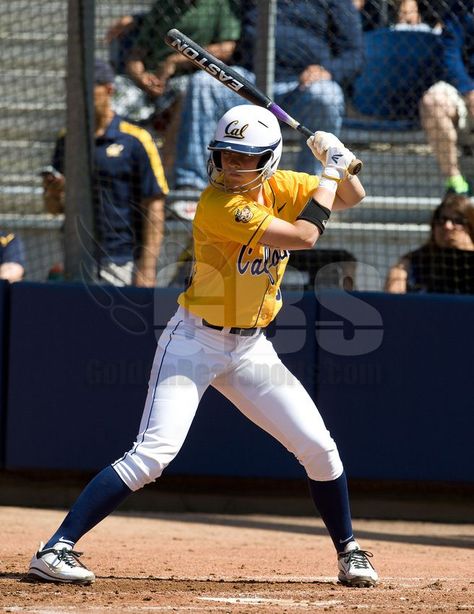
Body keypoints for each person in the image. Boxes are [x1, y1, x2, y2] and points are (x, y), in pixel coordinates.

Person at [27, 105, 378, 588]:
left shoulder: (282, 185)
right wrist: (330, 171)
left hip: (252, 348)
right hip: (195, 339)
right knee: (153, 456)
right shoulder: (218, 204)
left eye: (245, 158)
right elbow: (305, 235)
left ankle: (349, 552)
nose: (233, 166)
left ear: (269, 160)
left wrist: (337, 157)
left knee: (319, 448)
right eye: (226, 156)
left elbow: (351, 198)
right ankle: (56, 548)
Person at [172, 0, 364, 214]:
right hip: (250, 84)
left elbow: (354, 55)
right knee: (203, 84)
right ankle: (192, 189)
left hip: (299, 88)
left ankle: (309, 200)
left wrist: (327, 71)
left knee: (326, 94)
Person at [43, 59, 169, 287]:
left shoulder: (136, 140)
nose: (77, 96)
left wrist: (147, 268)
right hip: (75, 258)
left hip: (121, 260)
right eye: (73, 89)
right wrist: (54, 192)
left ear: (109, 90)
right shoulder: (67, 140)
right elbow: (54, 209)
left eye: (86, 89)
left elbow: (155, 205)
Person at [109, 0, 240, 126]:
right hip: (147, 81)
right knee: (113, 90)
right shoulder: (164, 5)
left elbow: (225, 49)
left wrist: (174, 61)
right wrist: (141, 77)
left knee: (189, 92)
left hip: (185, 78)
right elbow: (136, 54)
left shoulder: (219, 4)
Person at [420, 2, 474, 195]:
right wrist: (469, 90)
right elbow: (450, 53)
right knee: (434, 100)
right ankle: (456, 182)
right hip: (464, 89)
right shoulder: (461, 7)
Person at [385, 193, 474, 293]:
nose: (447, 226)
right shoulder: (412, 262)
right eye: (442, 220)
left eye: (457, 221)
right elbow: (394, 298)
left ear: (470, 226)